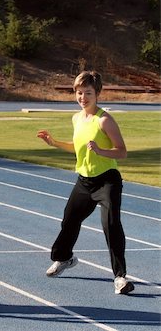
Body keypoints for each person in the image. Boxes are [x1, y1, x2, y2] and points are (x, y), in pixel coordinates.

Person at [37, 71, 134, 294]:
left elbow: (122, 152)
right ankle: (64, 258)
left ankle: (120, 277)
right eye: (79, 93)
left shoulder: (104, 120)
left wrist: (101, 151)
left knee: (110, 225)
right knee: (69, 219)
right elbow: (77, 145)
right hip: (84, 181)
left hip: (107, 181)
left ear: (97, 93)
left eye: (88, 93)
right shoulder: (77, 118)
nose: (83, 97)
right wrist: (54, 143)